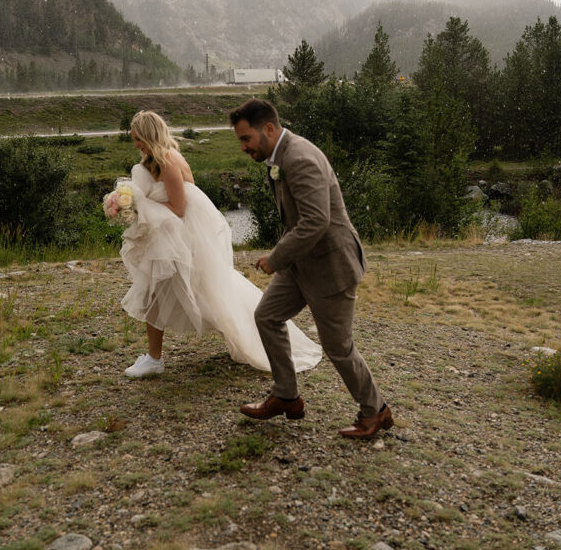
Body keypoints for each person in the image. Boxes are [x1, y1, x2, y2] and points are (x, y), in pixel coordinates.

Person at [229, 98, 393, 438]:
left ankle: (375, 411)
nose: (243, 147)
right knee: (267, 315)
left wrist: (275, 258)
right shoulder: (281, 157)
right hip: (302, 263)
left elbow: (316, 221)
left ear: (269, 129)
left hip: (331, 265)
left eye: (246, 139)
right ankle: (287, 395)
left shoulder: (300, 158)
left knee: (338, 347)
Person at [118, 110, 322, 378]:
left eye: (138, 138)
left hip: (184, 238)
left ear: (149, 135)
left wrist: (140, 204)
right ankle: (154, 358)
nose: (135, 144)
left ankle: (255, 339)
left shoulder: (167, 160)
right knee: (158, 291)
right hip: (171, 238)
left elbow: (178, 207)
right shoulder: (155, 160)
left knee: (210, 295)